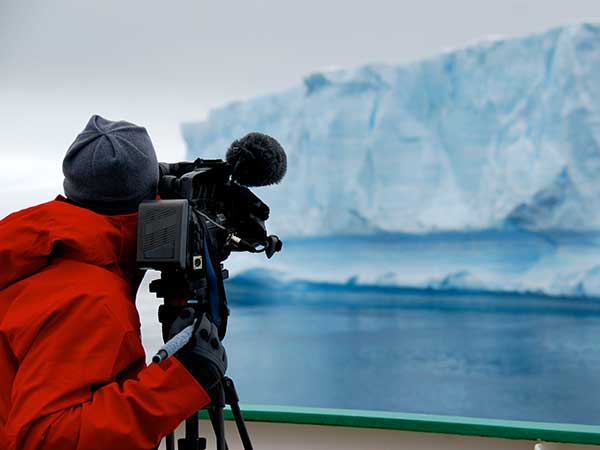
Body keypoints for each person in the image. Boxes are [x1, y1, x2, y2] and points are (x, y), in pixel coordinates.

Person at [0, 115, 227, 450]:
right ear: (151, 201)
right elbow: (44, 439)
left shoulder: (31, 255)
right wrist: (176, 385)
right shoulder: (90, 299)